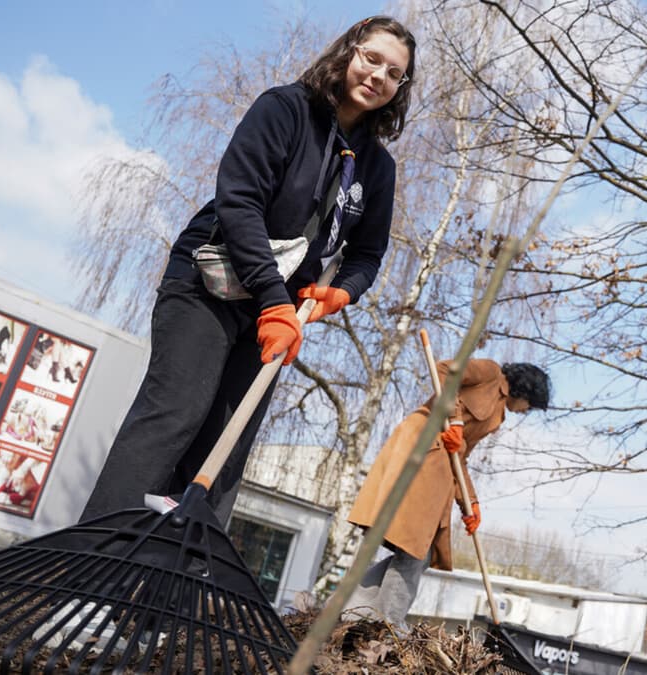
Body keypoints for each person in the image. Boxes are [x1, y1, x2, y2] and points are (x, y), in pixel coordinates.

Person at [81, 16, 417, 523]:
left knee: (227, 442)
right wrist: (274, 300)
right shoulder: (285, 109)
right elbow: (239, 204)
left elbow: (368, 254)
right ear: (349, 51)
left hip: (276, 313)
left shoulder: (377, 168)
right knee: (177, 412)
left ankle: (167, 586)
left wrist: (341, 293)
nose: (379, 76)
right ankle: (90, 566)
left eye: (395, 73)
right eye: (372, 58)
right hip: (209, 285)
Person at [341, 358, 550, 628]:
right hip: (420, 450)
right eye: (530, 406)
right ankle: (388, 624)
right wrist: (453, 419)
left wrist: (471, 504)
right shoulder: (489, 372)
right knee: (416, 549)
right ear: (527, 391)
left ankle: (352, 608)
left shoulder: (498, 417)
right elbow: (443, 370)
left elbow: (460, 458)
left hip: (438, 465)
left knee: (422, 552)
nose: (526, 411)